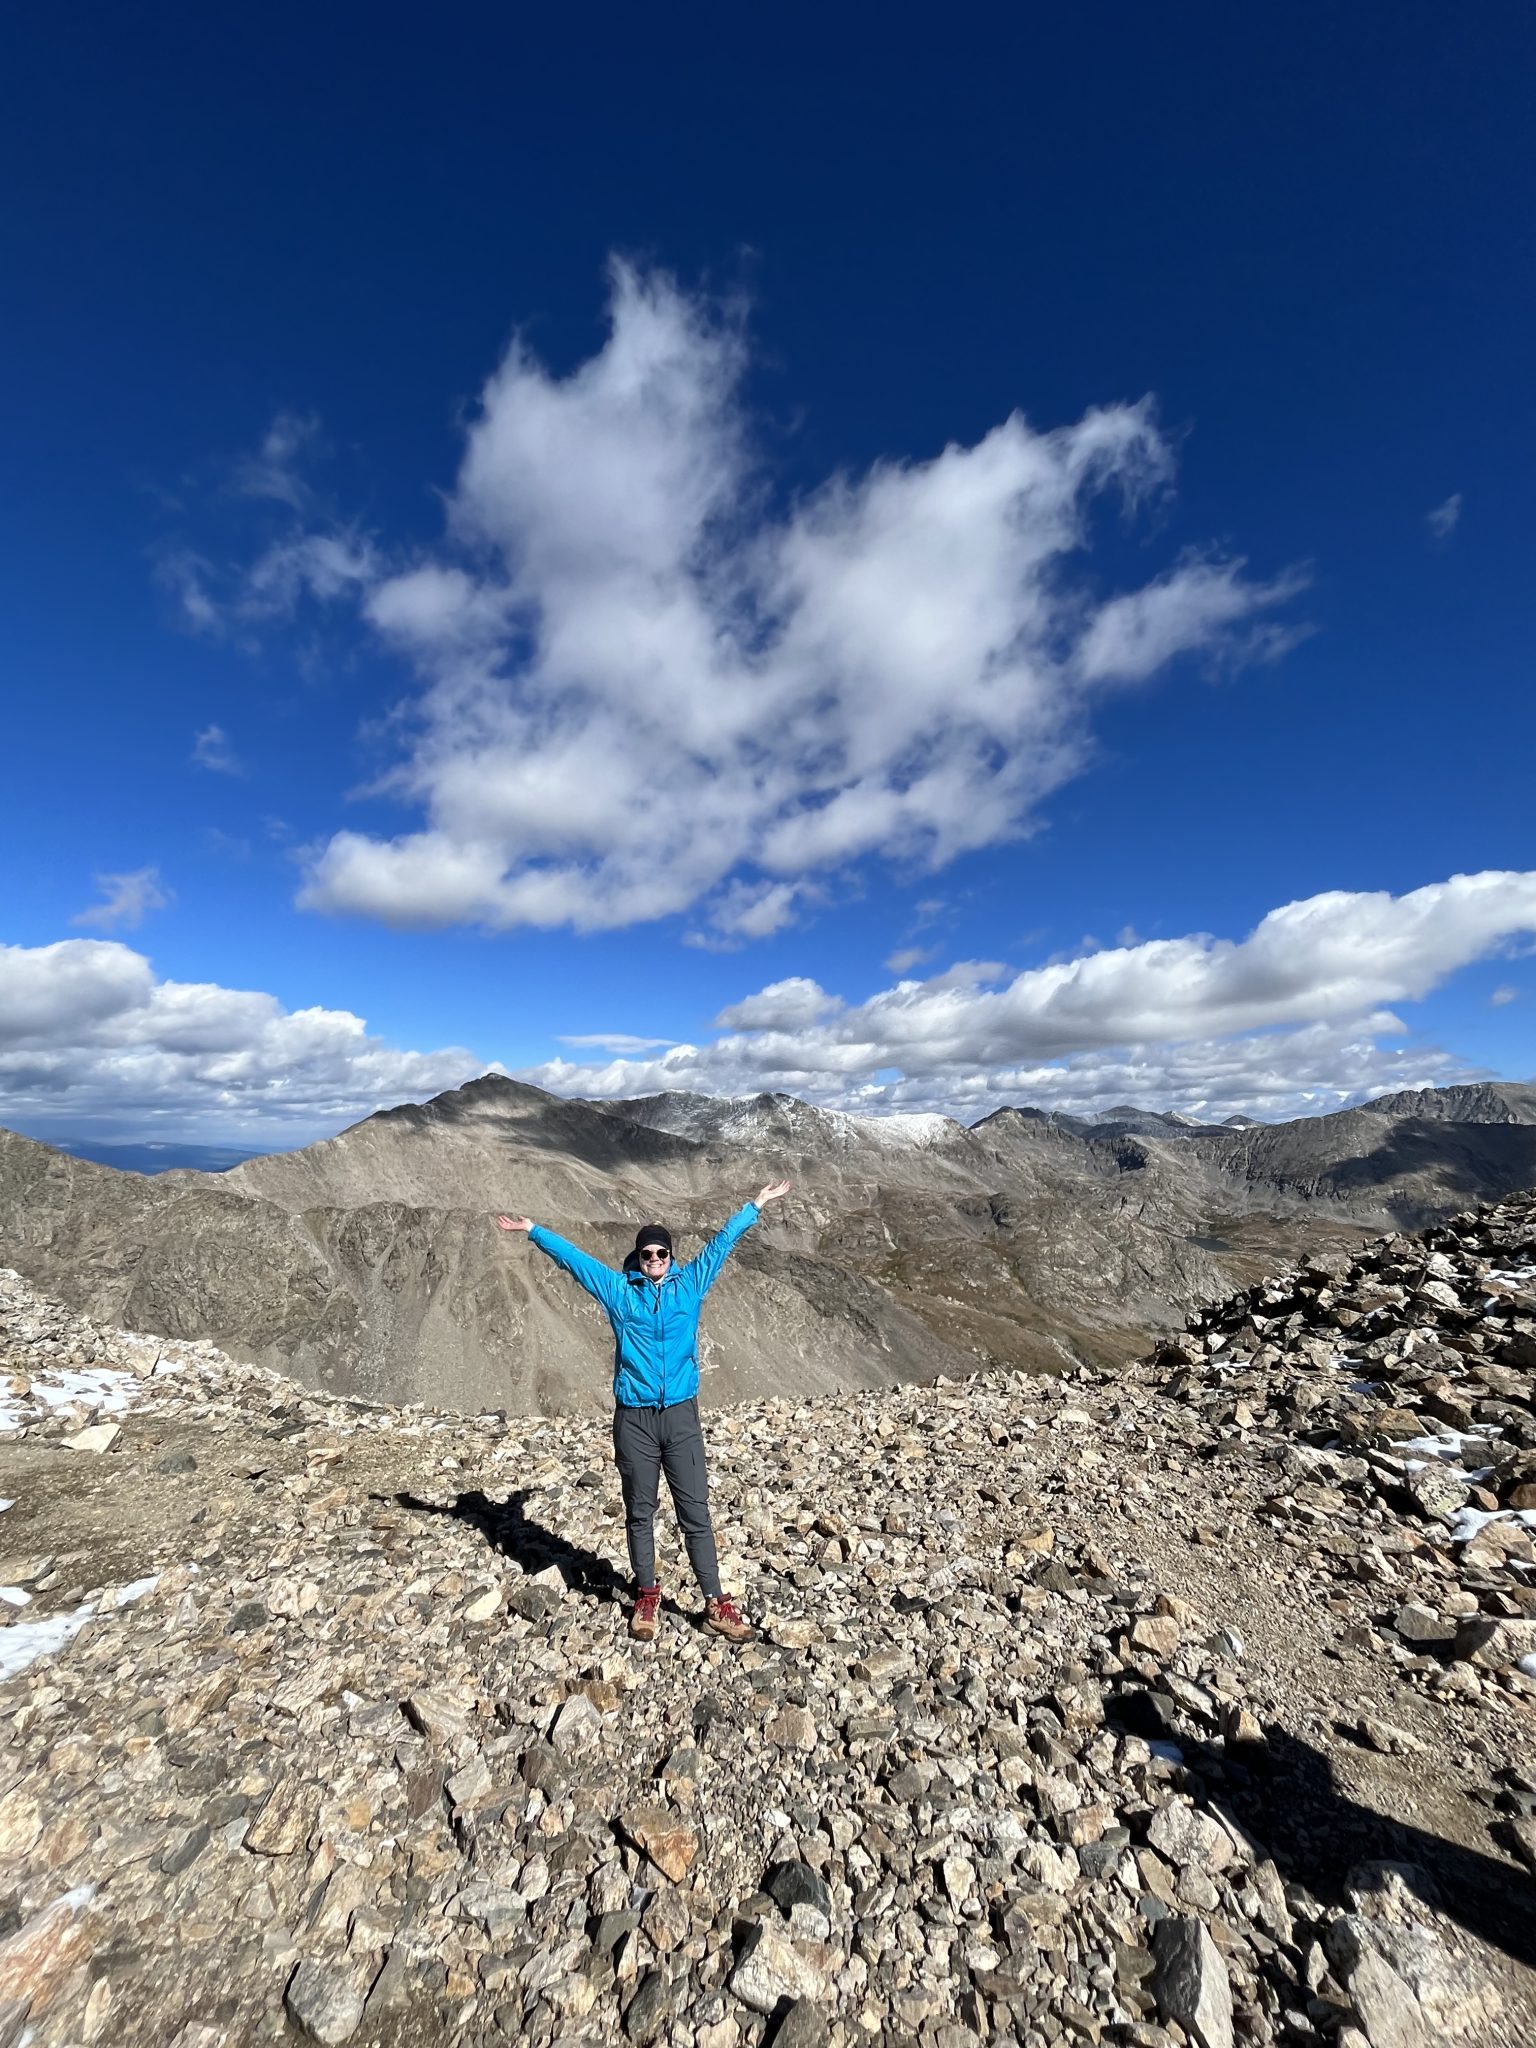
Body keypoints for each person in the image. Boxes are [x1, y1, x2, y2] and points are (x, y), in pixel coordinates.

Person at [494, 1181, 791, 1642]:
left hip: (681, 1417)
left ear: (671, 1256)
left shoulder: (689, 1285)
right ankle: (647, 1594)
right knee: (640, 1510)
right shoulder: (619, 1292)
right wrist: (535, 1230)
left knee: (696, 1511)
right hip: (634, 1417)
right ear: (638, 1257)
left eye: (661, 1253)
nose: (654, 1260)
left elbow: (721, 1244)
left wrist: (755, 1205)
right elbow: (576, 1262)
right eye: (648, 1253)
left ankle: (715, 1602)